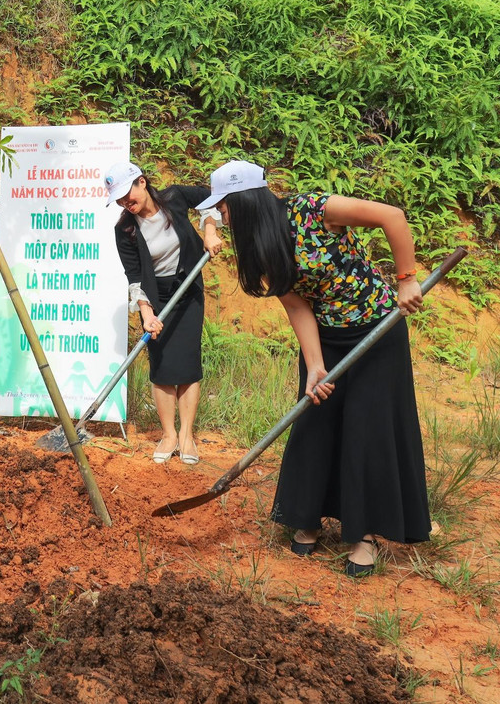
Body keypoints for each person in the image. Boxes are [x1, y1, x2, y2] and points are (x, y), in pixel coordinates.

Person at [198, 160, 428, 577]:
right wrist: (315, 366)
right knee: (314, 422)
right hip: (326, 337)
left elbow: (392, 217)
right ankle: (308, 517)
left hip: (376, 330)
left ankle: (363, 535)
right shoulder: (259, 246)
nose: (222, 217)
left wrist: (406, 278)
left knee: (365, 430)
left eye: (224, 208)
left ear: (243, 201)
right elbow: (296, 304)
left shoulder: (315, 210)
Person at [106, 161, 223, 465]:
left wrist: (210, 232)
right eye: (119, 199)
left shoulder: (175, 197)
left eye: (127, 193)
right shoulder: (125, 229)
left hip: (188, 289)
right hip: (155, 297)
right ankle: (169, 435)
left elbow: (212, 201)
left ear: (142, 182)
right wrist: (146, 313)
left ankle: (186, 436)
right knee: (161, 365)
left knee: (188, 362)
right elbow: (134, 276)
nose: (125, 202)